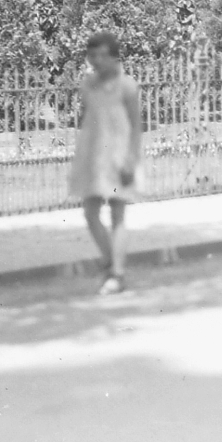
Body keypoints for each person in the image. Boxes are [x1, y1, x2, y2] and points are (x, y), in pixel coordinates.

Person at [70, 30, 143, 294]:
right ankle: (112, 262)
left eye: (102, 56)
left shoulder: (127, 86)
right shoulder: (88, 85)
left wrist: (131, 160)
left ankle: (117, 274)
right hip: (93, 157)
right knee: (90, 213)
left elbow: (136, 127)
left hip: (119, 157)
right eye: (92, 56)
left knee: (117, 214)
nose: (97, 61)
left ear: (114, 57)